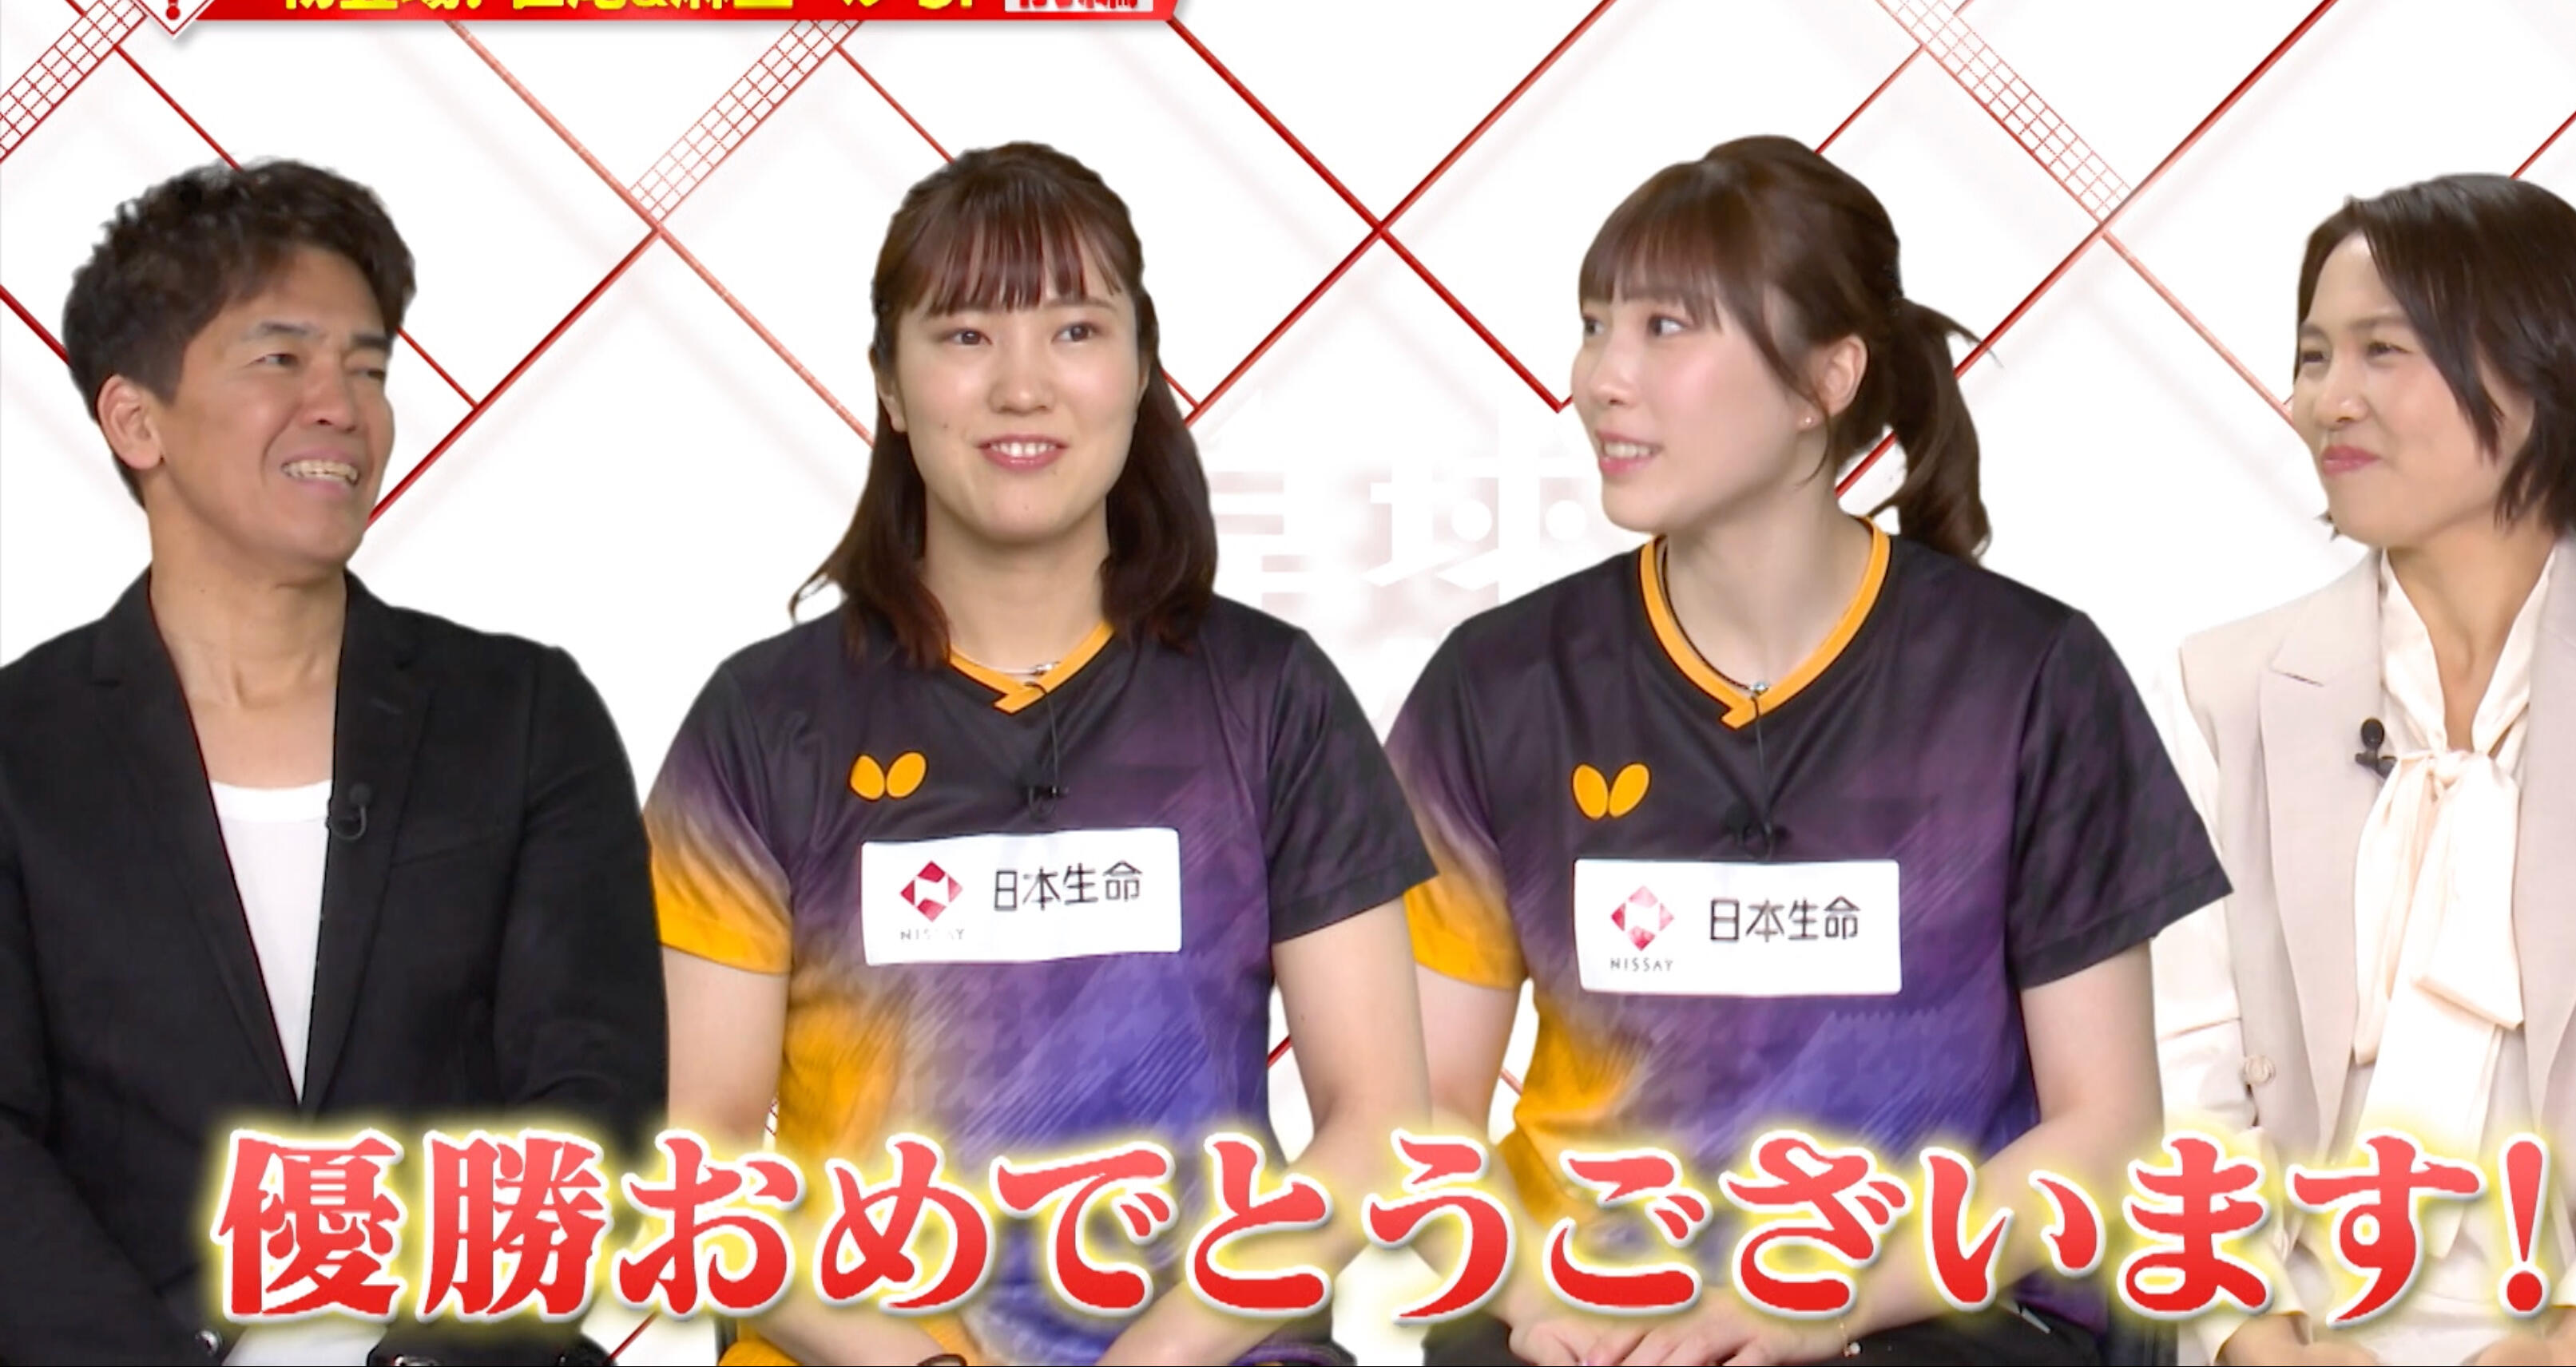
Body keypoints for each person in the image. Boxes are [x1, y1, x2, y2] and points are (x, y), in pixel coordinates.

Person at [1395, 135, 2229, 1366]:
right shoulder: (1499, 686)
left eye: (1667, 327)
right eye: (1595, 324)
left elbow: (2103, 1129)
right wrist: (1543, 1302)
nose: (1601, 378)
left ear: (1824, 381)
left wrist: (1819, 1306)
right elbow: (1419, 1117)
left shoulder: (2029, 678)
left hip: (1937, 1314)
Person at [650, 141, 1435, 1365]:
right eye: (965, 335)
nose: (1023, 387)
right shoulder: (764, 721)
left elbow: (1376, 1122)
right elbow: (697, 1148)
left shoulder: (1270, 698)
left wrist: (1152, 1360)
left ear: (1140, 370)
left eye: (1075, 330)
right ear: (890, 385)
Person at [0, 160, 666, 1364]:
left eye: (368, 368)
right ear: (136, 419)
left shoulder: (522, 716)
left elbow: (594, 1097)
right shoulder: (21, 749)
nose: (342, 408)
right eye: (282, 359)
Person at [2150, 174, 2576, 1367]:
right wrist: (2255, 1336)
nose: (2328, 399)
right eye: (2314, 355)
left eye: (2384, 350)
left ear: (2539, 377)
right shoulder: (2222, 694)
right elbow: (2177, 1066)